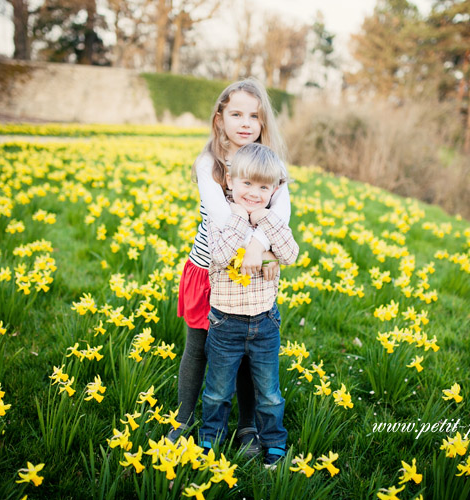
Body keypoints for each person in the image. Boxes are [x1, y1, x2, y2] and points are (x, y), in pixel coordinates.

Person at [174, 78, 292, 458]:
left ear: (263, 122)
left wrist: (262, 248)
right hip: (210, 267)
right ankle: (185, 419)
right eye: (236, 113)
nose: (245, 123)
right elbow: (223, 221)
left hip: (255, 274)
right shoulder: (208, 162)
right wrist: (261, 237)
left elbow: (282, 214)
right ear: (219, 117)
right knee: (198, 349)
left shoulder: (271, 164)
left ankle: (247, 428)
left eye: (254, 116)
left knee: (246, 351)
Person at [199, 143, 298, 467]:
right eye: (247, 184)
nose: (254, 193)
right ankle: (209, 441)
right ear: (230, 180)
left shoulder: (270, 219)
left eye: (263, 187)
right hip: (226, 323)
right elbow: (221, 254)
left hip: (265, 323)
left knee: (269, 393)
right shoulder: (222, 217)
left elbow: (290, 253)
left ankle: (274, 443)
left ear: (274, 190)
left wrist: (265, 219)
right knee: (217, 390)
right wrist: (242, 217)